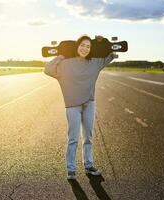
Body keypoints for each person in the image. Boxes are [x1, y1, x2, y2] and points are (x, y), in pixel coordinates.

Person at [44, 34, 115, 180]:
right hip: (72, 106)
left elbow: (111, 54)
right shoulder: (65, 64)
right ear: (77, 46)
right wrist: (60, 56)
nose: (85, 48)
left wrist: (103, 42)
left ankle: (88, 166)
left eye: (88, 46)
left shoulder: (95, 62)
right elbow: (48, 69)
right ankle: (71, 170)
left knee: (88, 137)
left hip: (89, 103)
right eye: (82, 45)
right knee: (73, 138)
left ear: (91, 49)